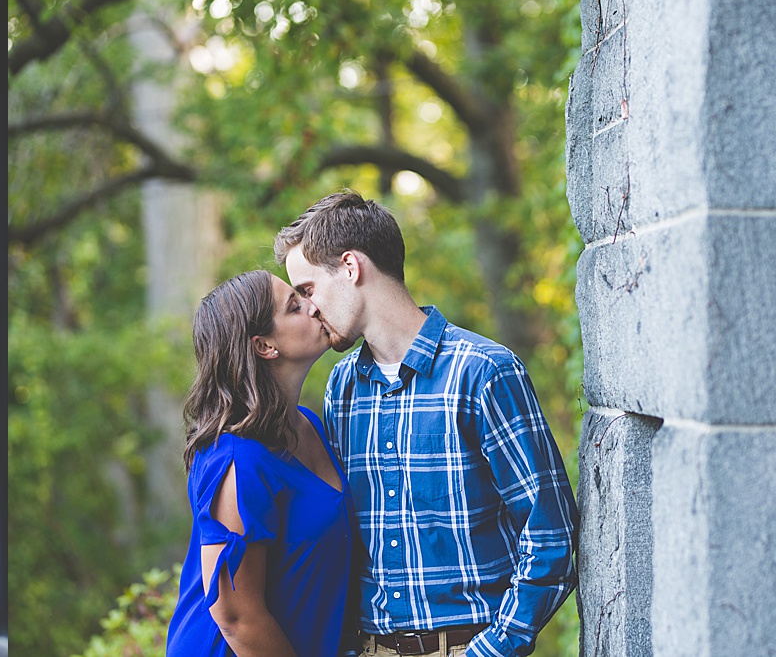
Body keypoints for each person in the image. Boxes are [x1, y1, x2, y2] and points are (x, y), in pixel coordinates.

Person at [276, 191, 576, 657]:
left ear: (351, 267)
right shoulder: (342, 389)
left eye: (309, 289)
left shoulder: (483, 372)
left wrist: (494, 649)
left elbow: (550, 536)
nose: (309, 309)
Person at [166, 270, 357, 657]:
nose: (314, 306)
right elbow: (235, 618)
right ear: (264, 345)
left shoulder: (311, 425)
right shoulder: (239, 458)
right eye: (295, 306)